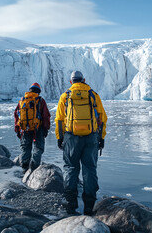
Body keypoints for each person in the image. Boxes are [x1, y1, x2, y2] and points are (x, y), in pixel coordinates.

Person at [55, 71, 107, 215]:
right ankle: (89, 206)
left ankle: (71, 203)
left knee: (71, 168)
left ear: (71, 81)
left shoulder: (65, 96)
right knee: (89, 169)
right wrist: (101, 138)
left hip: (71, 137)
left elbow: (59, 119)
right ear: (83, 80)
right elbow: (102, 118)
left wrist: (60, 138)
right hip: (91, 137)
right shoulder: (93, 95)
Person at [14, 83, 51, 173]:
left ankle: (24, 167)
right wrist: (46, 128)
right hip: (38, 128)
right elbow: (46, 116)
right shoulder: (40, 100)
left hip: (25, 128)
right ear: (38, 91)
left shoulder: (22, 100)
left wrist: (17, 129)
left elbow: (16, 115)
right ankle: (35, 166)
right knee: (38, 147)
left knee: (25, 147)